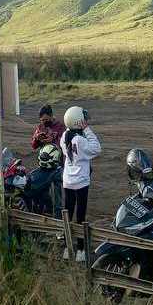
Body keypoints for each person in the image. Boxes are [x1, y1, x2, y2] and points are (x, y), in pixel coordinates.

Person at [61, 105, 101, 261]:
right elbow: (97, 148)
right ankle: (81, 251)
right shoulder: (80, 139)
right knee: (80, 216)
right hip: (81, 181)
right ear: (78, 122)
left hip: (68, 180)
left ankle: (66, 249)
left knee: (68, 214)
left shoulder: (64, 136)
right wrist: (88, 130)